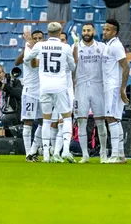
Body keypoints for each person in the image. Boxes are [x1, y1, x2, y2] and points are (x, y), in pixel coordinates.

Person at [23, 22, 76, 163]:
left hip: (44, 87)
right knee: (66, 118)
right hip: (60, 86)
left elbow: (26, 59)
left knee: (46, 120)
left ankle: (46, 154)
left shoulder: (40, 46)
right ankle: (65, 150)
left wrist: (37, 62)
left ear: (48, 33)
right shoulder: (65, 47)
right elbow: (72, 67)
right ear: (60, 32)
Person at [73, 24, 108, 163]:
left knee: (100, 121)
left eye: (88, 30)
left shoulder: (102, 47)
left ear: (94, 32)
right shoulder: (75, 46)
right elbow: (71, 67)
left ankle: (103, 153)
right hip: (81, 88)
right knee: (81, 121)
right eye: (84, 30)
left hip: (98, 86)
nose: (86, 33)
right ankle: (85, 155)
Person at [102, 19, 130, 163]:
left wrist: (122, 88)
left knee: (111, 118)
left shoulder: (116, 46)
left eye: (108, 30)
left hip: (113, 86)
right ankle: (121, 155)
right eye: (104, 29)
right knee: (115, 119)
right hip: (110, 86)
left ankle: (114, 155)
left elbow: (126, 66)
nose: (104, 32)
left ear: (115, 32)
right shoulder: (109, 45)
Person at [15, 30, 45, 162]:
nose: (38, 40)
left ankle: (33, 150)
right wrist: (27, 45)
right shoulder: (29, 48)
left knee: (43, 122)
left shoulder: (45, 49)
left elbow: (19, 61)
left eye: (40, 38)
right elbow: (25, 62)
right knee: (28, 121)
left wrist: (29, 43)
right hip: (30, 91)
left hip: (43, 91)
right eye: (35, 38)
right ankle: (28, 154)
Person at [49, 32, 76, 163]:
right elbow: (74, 66)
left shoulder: (66, 51)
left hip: (64, 90)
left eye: (64, 40)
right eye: (60, 40)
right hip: (60, 90)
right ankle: (61, 151)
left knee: (60, 122)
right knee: (59, 122)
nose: (62, 42)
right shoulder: (64, 52)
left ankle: (56, 152)